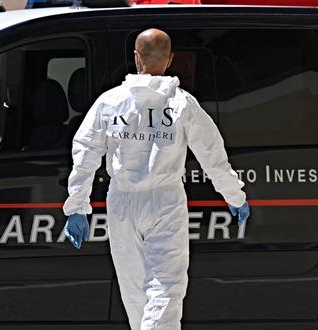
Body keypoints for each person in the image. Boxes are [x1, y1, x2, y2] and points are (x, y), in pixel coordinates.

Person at [61, 28, 250, 330]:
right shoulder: (182, 104)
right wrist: (234, 195)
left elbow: (85, 152)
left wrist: (77, 206)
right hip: (165, 202)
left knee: (134, 290)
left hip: (122, 202)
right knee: (166, 287)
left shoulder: (111, 102)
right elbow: (212, 153)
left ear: (135, 58)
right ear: (171, 59)